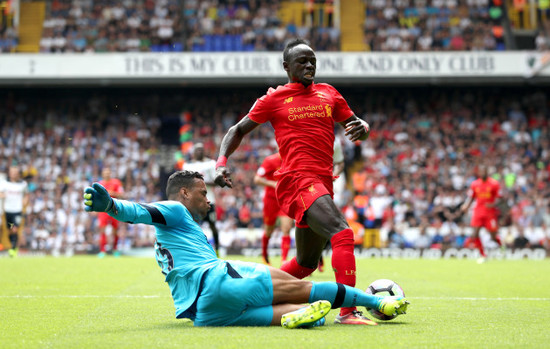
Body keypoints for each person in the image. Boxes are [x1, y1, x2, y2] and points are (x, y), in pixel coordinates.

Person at [83, 170, 408, 327]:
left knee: (301, 313)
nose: (207, 200)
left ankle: (301, 318)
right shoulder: (175, 209)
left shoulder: (167, 237)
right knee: (305, 289)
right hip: (218, 279)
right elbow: (139, 211)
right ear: (182, 193)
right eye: (201, 192)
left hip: (204, 314)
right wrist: (111, 204)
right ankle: (376, 301)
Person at [214, 39, 374, 325]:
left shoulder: (329, 93)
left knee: (306, 262)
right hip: (298, 180)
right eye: (302, 61)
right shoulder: (273, 99)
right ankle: (348, 311)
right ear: (286, 66)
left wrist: (364, 128)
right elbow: (236, 130)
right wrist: (221, 164)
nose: (309, 65)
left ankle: (250, 298)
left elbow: (356, 124)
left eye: (312, 60)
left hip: (323, 181)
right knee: (342, 232)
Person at [253, 152, 293, 265]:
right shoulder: (270, 160)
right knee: (269, 231)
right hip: (271, 201)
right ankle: (265, 255)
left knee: (287, 228)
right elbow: (257, 179)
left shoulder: (293, 160)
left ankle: (284, 260)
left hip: (286, 199)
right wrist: (273, 184)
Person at [183, 142, 220, 256]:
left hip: (209, 200)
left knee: (212, 225)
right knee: (192, 226)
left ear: (204, 151)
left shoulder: (211, 163)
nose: (199, 152)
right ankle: (193, 250)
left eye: (201, 149)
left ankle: (217, 249)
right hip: (193, 202)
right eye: (197, 150)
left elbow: (216, 181)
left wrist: (201, 182)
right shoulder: (187, 166)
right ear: (193, 153)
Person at [460, 165, 503, 263]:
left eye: (484, 171)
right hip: (478, 212)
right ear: (478, 172)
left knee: (492, 236)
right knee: (474, 234)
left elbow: (500, 198)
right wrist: (466, 205)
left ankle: (501, 247)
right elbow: (471, 197)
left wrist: (493, 204)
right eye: (481, 171)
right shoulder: (475, 184)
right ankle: (483, 255)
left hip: (490, 213)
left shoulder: (494, 184)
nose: (482, 173)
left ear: (487, 172)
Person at [0, 165, 29, 257]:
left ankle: (13, 248)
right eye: (11, 172)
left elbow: (26, 194)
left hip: (17, 211)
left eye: (15, 172)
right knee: (10, 230)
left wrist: (25, 201)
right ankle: (12, 246)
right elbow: (0, 193)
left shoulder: (23, 184)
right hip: (8, 210)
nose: (13, 174)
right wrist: (3, 195)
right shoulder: (5, 183)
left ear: (18, 174)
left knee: (14, 229)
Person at [97, 167, 124, 257]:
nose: (107, 174)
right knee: (102, 230)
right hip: (103, 210)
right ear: (102, 174)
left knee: (115, 230)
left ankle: (115, 249)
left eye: (108, 172)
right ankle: (102, 250)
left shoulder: (116, 182)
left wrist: (109, 192)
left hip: (113, 208)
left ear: (110, 174)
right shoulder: (99, 184)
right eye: (105, 173)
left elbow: (121, 194)